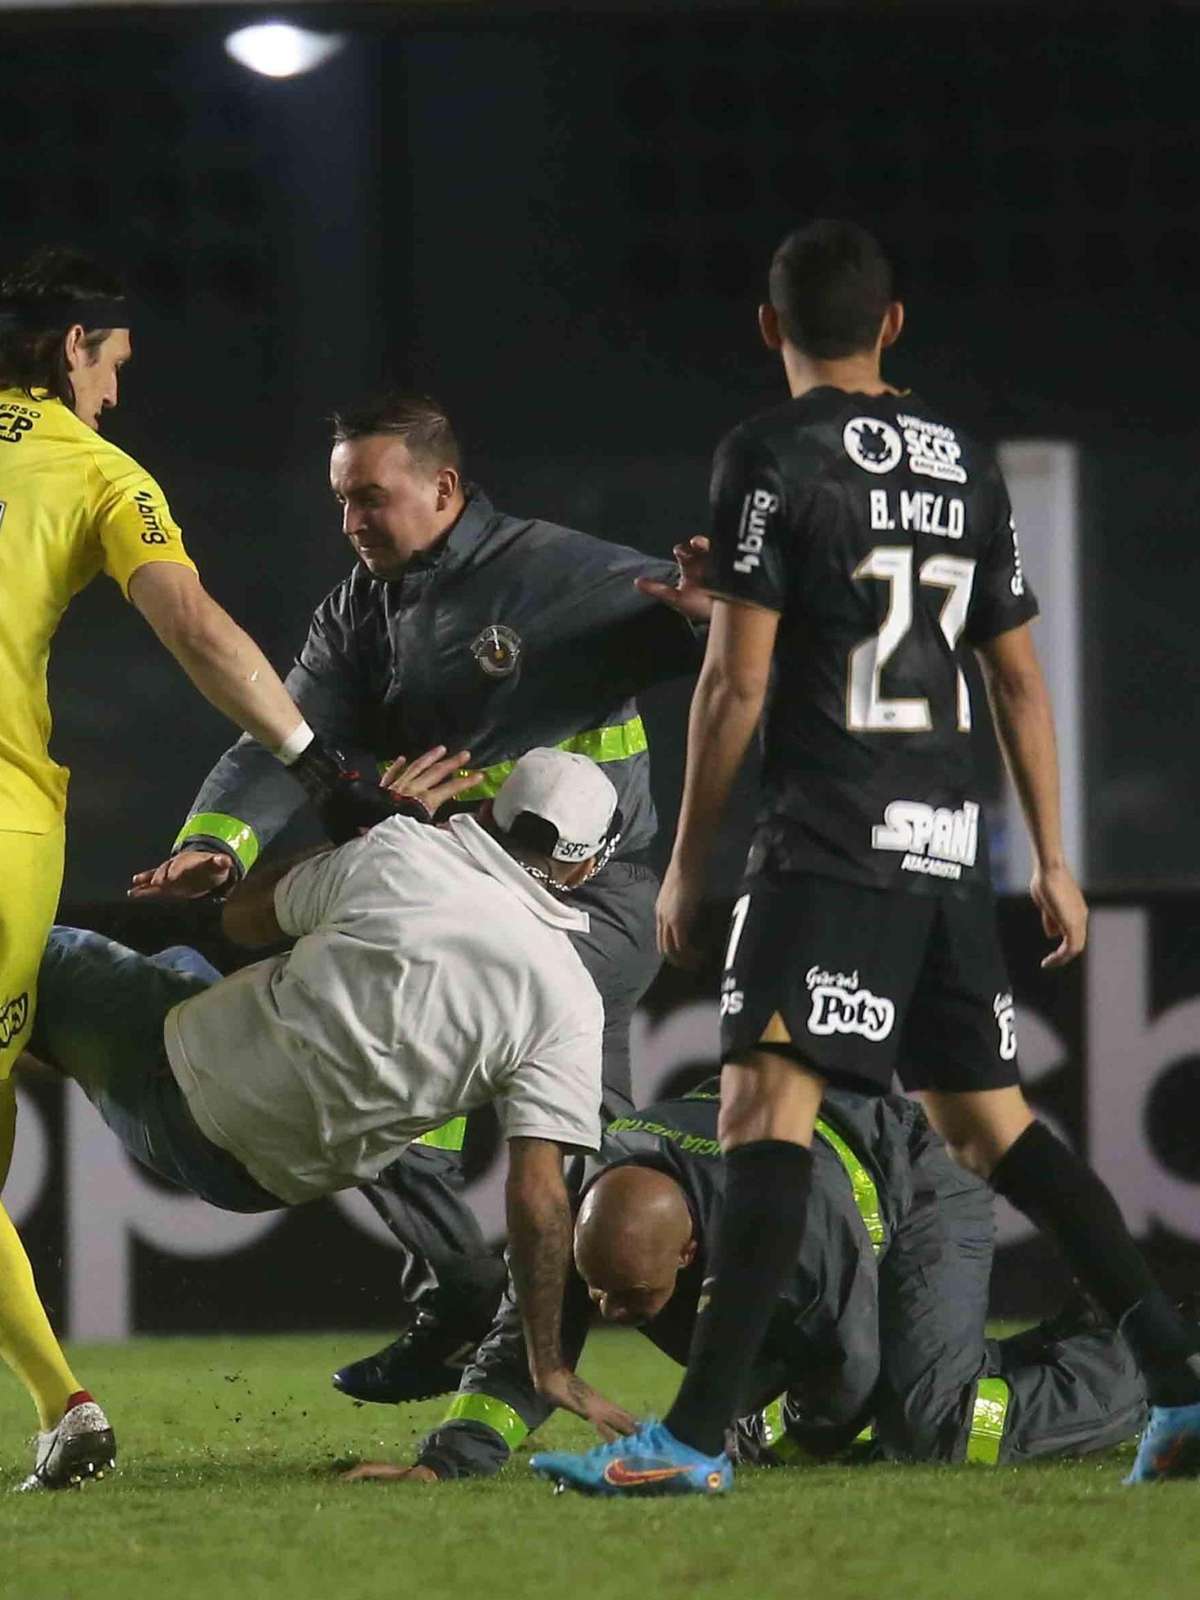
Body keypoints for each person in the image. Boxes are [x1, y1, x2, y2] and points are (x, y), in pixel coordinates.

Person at [542, 219, 1200, 1496]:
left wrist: (686, 863)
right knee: (989, 1122)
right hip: (948, 841)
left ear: (768, 326)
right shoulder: (965, 463)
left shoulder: (767, 453)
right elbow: (1015, 674)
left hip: (831, 837)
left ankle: (687, 1442)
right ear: (894, 325)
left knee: (762, 1108)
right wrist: (1052, 857)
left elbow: (735, 684)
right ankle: (1177, 1386)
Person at [128, 392, 712, 1399]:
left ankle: (466, 1301)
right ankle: (745, 1370)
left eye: (369, 497)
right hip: (468, 896)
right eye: (339, 499)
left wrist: (713, 615)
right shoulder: (362, 610)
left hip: (589, 896)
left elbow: (704, 634)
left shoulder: (548, 570)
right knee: (596, 1178)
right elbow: (282, 729)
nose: (350, 519)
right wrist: (213, 844)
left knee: (395, 1028)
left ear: (443, 489)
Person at [0, 247, 403, 1491]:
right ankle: (66, 1403)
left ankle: (64, 1402)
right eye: (114, 364)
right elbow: (191, 623)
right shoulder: (93, 469)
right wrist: (316, 765)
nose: (118, 391)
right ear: (74, 351)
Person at [30, 748, 634, 1444]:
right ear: (586, 869)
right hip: (266, 1183)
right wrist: (547, 1361)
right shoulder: (571, 1004)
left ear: (488, 811)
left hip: (181, 1089)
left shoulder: (402, 853)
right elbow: (539, 1196)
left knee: (41, 954)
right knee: (179, 972)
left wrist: (369, 833)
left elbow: (242, 918)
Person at [341, 1085, 1145, 1485]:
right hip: (814, 1195)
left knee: (929, 1423)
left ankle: (1145, 1370)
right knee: (905, 1392)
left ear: (693, 1252)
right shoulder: (586, 1221)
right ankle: (1078, 1339)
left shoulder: (785, 1235)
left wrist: (756, 1436)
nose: (613, 1316)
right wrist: (445, 1462)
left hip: (915, 1182)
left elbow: (847, 1379)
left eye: (635, 1298)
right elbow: (527, 1346)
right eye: (600, 1293)